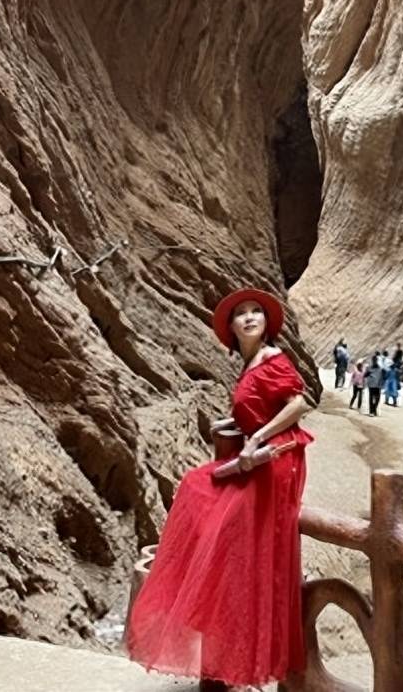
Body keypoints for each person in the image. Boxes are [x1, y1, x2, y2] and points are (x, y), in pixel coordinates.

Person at [126, 287, 311, 687]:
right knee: (195, 486)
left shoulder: (272, 357)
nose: (250, 317)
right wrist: (233, 426)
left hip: (278, 457)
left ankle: (219, 635)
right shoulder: (249, 364)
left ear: (267, 324)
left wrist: (256, 437)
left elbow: (298, 404)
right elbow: (257, 407)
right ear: (231, 328)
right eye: (241, 313)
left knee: (224, 522)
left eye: (256, 311)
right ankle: (209, 621)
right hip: (256, 452)